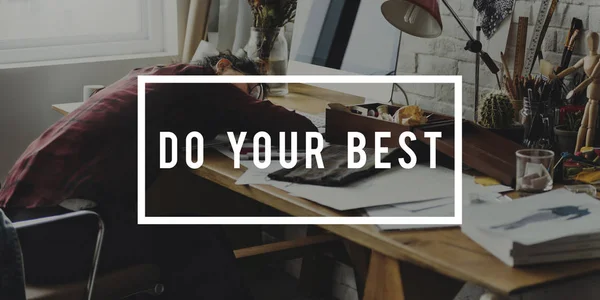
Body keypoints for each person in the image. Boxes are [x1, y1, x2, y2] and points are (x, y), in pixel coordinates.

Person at [0, 53, 317, 299]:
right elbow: (301, 129)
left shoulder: (147, 76)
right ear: (223, 66)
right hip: (54, 242)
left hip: (19, 228)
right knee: (200, 239)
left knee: (178, 228)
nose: (250, 100)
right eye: (252, 90)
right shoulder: (206, 85)